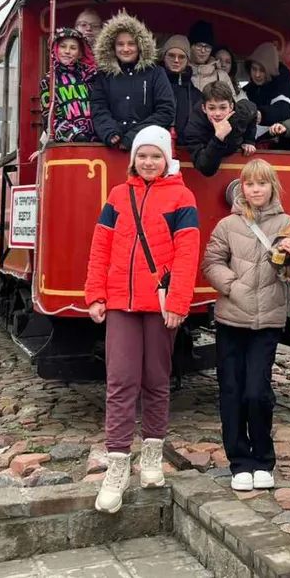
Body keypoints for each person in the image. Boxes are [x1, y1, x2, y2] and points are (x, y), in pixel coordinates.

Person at [84, 126, 200, 514]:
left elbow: (187, 253)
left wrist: (179, 301)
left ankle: (151, 455)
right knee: (120, 382)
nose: (148, 162)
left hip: (161, 302)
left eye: (155, 155)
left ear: (167, 159)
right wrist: (95, 293)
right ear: (134, 159)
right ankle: (117, 465)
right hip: (121, 301)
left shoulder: (182, 197)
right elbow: (100, 246)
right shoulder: (118, 196)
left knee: (156, 380)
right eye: (143, 155)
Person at [202, 160, 290, 492]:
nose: (255, 190)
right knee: (231, 391)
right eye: (250, 184)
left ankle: (263, 460)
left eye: (262, 184)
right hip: (231, 318)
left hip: (267, 320)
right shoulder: (228, 225)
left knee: (258, 392)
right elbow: (211, 262)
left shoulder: (287, 225)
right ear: (242, 188)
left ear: (273, 188)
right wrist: (235, 288)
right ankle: (239, 462)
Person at [90, 11, 176, 150]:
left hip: (149, 146)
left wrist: (135, 136)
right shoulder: (104, 76)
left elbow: (166, 111)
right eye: (120, 44)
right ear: (113, 47)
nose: (125, 49)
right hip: (111, 148)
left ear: (140, 45)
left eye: (131, 43)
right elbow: (98, 108)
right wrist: (110, 132)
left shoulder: (156, 73)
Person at [181, 81, 257, 176]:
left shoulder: (241, 114)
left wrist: (249, 140)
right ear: (204, 108)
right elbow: (205, 169)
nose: (217, 114)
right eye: (212, 108)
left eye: (223, 108)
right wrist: (218, 138)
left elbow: (253, 109)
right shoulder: (194, 129)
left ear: (231, 107)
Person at [45, 27, 97, 143]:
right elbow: (49, 118)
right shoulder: (49, 80)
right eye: (63, 46)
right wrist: (74, 135)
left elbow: (102, 106)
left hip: (99, 140)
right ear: (56, 49)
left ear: (80, 53)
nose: (67, 51)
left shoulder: (92, 75)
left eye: (73, 48)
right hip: (69, 144)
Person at [243, 43, 290, 151]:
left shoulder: (282, 86)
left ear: (270, 70)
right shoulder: (246, 91)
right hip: (250, 149)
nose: (257, 75)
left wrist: (262, 114)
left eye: (262, 70)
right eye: (254, 69)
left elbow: (287, 108)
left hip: (281, 150)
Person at [161, 34, 201, 143]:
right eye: (171, 55)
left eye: (182, 57)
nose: (176, 60)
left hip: (186, 149)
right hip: (154, 148)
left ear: (188, 60)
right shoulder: (152, 87)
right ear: (164, 57)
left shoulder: (196, 95)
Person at [188, 20, 242, 98]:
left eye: (207, 47)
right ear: (190, 46)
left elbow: (232, 103)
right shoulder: (182, 73)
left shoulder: (221, 75)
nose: (203, 50)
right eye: (199, 45)